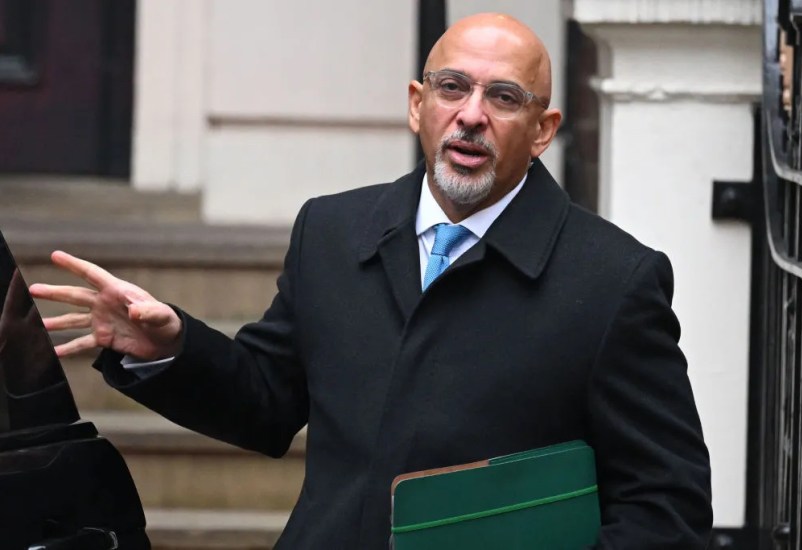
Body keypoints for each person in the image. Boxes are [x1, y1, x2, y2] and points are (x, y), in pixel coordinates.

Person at [30, 13, 712, 549]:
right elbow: (267, 402)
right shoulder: (332, 232)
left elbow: (666, 507)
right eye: (452, 87)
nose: (471, 114)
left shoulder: (614, 281)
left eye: (504, 97)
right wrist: (173, 347)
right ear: (418, 104)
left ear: (543, 130)